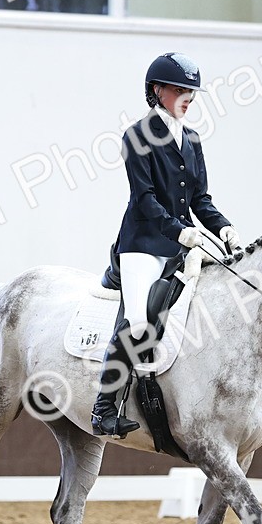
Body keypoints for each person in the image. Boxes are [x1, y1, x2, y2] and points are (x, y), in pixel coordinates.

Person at [91, 52, 240, 438]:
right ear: (157, 91)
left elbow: (200, 200)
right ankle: (103, 408)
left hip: (182, 242)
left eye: (191, 91)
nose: (188, 97)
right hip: (143, 244)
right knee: (137, 321)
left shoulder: (191, 139)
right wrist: (179, 232)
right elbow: (144, 198)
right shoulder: (136, 136)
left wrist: (222, 227)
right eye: (180, 89)